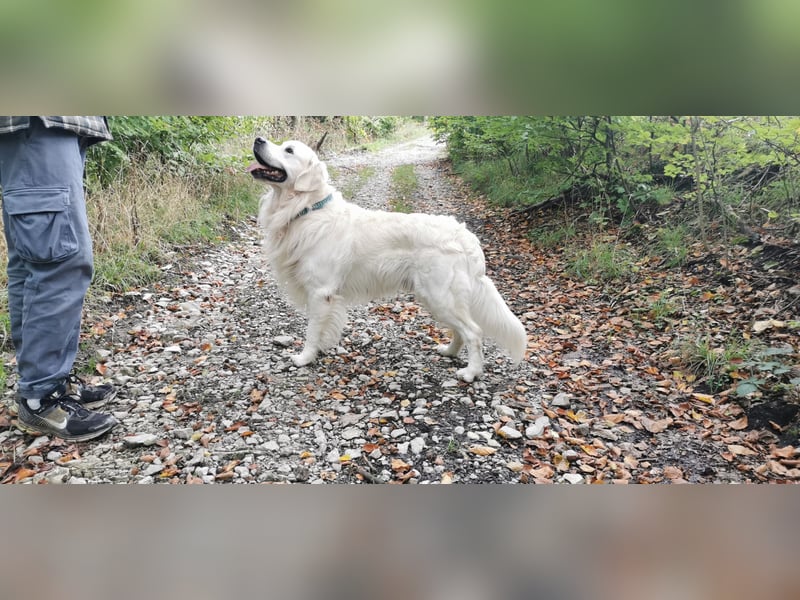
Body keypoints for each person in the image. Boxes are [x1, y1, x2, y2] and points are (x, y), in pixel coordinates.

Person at [0, 116, 118, 441]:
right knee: (60, 261)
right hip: (38, 119)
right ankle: (41, 397)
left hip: (48, 124)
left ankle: (43, 387)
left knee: (33, 260)